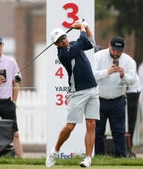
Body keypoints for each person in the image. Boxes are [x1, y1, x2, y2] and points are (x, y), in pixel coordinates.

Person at [46, 20, 99, 168]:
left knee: (91, 124)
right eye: (59, 40)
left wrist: (86, 26)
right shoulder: (63, 54)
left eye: (63, 37)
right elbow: (82, 42)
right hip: (77, 93)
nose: (63, 40)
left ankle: (88, 158)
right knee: (70, 126)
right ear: (56, 44)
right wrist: (81, 27)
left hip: (93, 89)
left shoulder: (75, 44)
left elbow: (91, 43)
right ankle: (55, 151)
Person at [93, 36, 135, 157]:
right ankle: (99, 157)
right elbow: (91, 75)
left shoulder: (129, 61)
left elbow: (131, 81)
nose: (116, 53)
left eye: (119, 51)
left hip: (118, 100)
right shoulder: (98, 57)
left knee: (119, 132)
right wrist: (107, 72)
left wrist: (123, 75)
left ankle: (121, 157)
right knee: (98, 132)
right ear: (109, 46)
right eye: (114, 50)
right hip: (99, 99)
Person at [125, 58, 141, 156]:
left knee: (130, 121)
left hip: (132, 91)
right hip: (120, 91)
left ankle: (128, 148)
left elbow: (129, 82)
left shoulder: (129, 62)